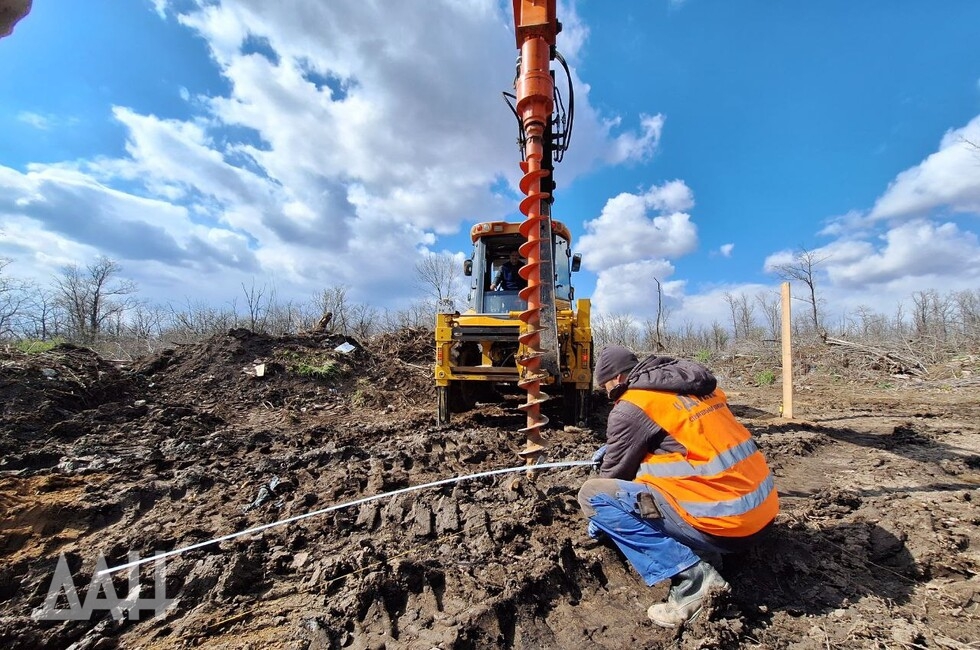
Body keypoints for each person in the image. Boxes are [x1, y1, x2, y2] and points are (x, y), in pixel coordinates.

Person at [579, 345, 779, 628]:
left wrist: (600, 521)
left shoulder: (632, 406)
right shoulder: (696, 390)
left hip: (725, 527)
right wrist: (621, 447)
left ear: (618, 378)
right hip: (761, 515)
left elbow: (612, 475)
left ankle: (694, 585)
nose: (606, 393)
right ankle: (704, 548)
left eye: (605, 387)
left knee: (593, 495)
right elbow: (683, 445)